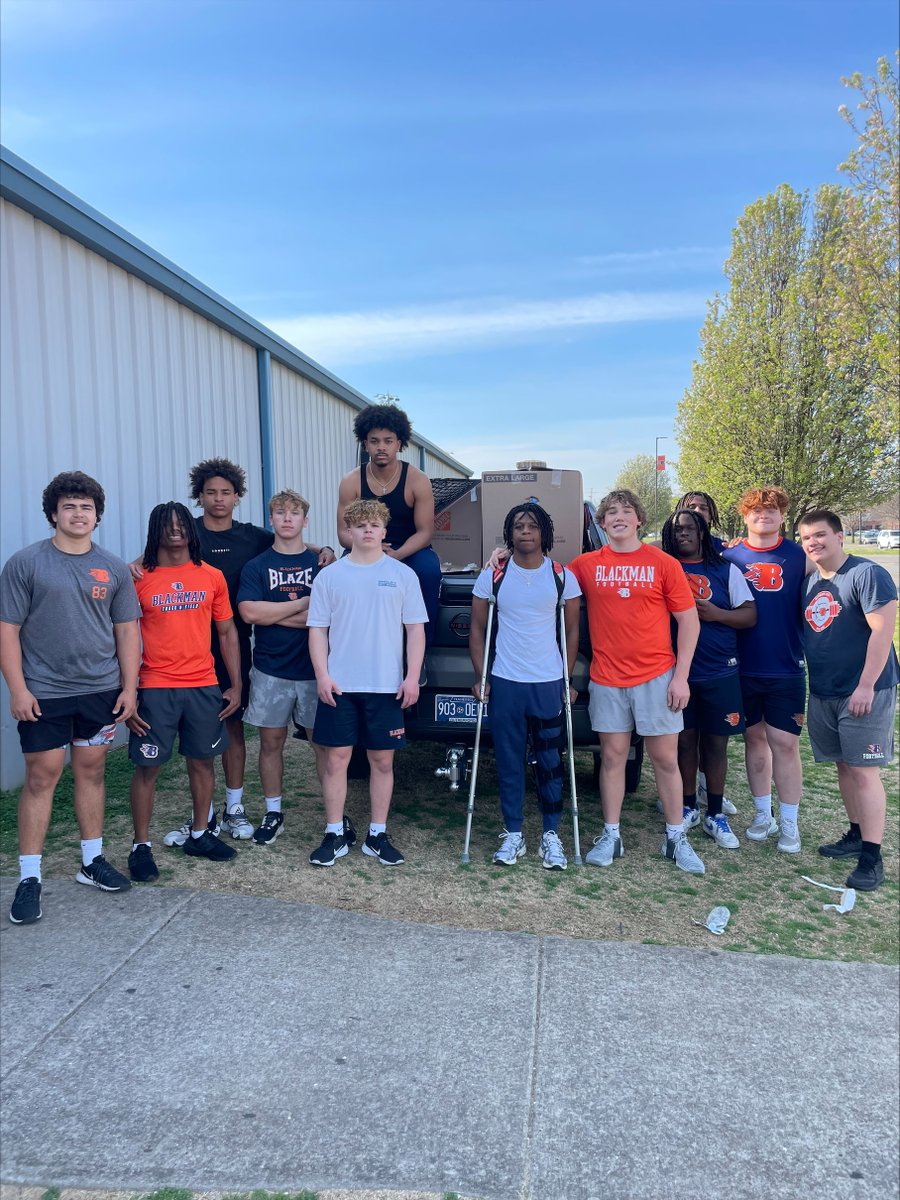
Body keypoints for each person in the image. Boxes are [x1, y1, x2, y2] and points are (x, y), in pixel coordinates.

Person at [137, 459, 334, 845]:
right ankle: (205, 815)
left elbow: (288, 540)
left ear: (237, 497)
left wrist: (323, 548)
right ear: (199, 496)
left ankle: (235, 806)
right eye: (210, 492)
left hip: (233, 641)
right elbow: (150, 558)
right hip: (189, 643)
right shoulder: (186, 530)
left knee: (232, 723)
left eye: (226, 492)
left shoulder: (252, 537)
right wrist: (132, 566)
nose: (218, 499)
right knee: (200, 732)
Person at [0, 471, 140, 924]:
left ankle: (91, 861)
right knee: (42, 777)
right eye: (70, 506)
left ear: (97, 515)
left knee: (92, 772)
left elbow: (126, 631)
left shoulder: (113, 567)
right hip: (44, 693)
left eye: (86, 507)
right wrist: (18, 689)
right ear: (53, 514)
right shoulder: (26, 563)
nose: (79, 514)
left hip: (100, 690)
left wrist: (130, 687)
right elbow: (8, 630)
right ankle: (29, 877)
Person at [567, 489, 705, 874]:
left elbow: (689, 622)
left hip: (657, 676)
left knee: (665, 759)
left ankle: (675, 837)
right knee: (612, 758)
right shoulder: (586, 564)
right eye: (611, 512)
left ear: (639, 520)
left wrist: (681, 677)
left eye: (626, 511)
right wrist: (503, 556)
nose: (619, 517)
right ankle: (611, 835)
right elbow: (547, 574)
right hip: (607, 678)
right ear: (601, 522)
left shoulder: (663, 564)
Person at [306, 499, 427, 867]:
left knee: (382, 762)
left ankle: (377, 834)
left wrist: (411, 677)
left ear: (384, 530)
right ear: (349, 532)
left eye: (374, 525)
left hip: (386, 686)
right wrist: (322, 675)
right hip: (340, 686)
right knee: (336, 761)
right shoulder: (330, 576)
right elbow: (317, 630)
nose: (368, 530)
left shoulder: (403, 575)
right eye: (360, 525)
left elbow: (415, 630)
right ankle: (334, 833)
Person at [126, 502, 242, 880]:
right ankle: (140, 846)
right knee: (148, 768)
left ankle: (200, 834)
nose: (175, 530)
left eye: (181, 524)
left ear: (191, 531)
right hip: (155, 687)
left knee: (203, 762)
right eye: (167, 524)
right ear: (155, 530)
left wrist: (236, 684)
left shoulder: (211, 576)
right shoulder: (136, 578)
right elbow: (122, 637)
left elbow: (227, 632)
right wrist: (127, 691)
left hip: (203, 685)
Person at [469, 503, 581, 869]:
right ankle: (514, 833)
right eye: (518, 526)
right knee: (509, 760)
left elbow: (572, 631)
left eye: (533, 526)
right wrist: (481, 676)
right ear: (509, 533)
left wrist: (567, 677)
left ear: (544, 532)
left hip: (547, 682)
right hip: (506, 681)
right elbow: (477, 629)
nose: (526, 531)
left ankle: (551, 834)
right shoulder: (493, 575)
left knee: (550, 761)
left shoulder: (562, 576)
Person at [798, 510, 898, 891]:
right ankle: (856, 834)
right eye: (807, 538)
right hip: (826, 691)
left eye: (820, 535)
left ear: (839, 536)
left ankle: (872, 858)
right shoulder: (811, 583)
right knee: (844, 766)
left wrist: (866, 685)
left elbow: (882, 633)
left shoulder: (867, 574)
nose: (813, 543)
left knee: (863, 771)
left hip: (864, 691)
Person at [661, 509, 756, 849]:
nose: (683, 534)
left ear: (702, 532)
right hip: (675, 673)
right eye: (676, 530)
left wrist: (718, 614)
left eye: (690, 528)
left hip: (720, 670)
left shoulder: (725, 569)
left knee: (716, 744)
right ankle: (688, 806)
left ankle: (715, 811)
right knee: (684, 742)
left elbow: (750, 615)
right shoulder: (664, 567)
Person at [236, 489, 326, 846]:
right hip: (271, 668)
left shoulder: (322, 564)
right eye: (280, 512)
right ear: (270, 519)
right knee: (271, 742)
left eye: (294, 513)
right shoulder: (257, 566)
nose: (287, 518)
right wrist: (303, 604)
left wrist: (273, 614)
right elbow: (249, 612)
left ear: (305, 520)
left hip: (315, 669)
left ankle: (333, 816)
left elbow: (328, 616)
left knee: (323, 744)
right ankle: (273, 812)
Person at [723, 487, 809, 852]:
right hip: (742, 667)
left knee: (785, 744)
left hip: (786, 665)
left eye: (771, 510)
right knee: (754, 740)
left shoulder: (799, 555)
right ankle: (763, 814)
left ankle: (790, 821)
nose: (764, 515)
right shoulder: (729, 556)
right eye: (756, 510)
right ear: (745, 516)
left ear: (782, 516)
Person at [337, 403, 440, 646]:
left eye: (388, 441)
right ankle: (348, 644)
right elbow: (343, 532)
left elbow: (425, 532)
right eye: (374, 441)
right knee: (340, 575)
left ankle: (421, 649)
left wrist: (396, 555)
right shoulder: (351, 481)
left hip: (409, 549)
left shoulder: (417, 480)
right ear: (365, 444)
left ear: (399, 443)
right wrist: (371, 550)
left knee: (429, 571)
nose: (381, 447)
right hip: (363, 546)